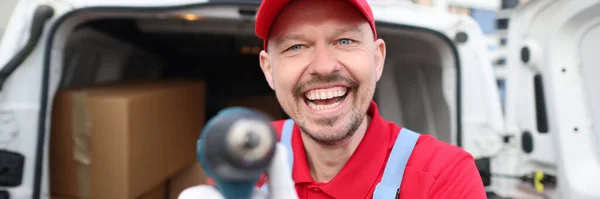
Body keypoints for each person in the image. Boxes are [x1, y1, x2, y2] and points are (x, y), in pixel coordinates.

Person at [179, 0, 487, 198]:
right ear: (269, 70)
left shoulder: (444, 177)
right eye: (296, 47)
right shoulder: (245, 149)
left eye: (344, 40)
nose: (324, 66)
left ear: (377, 59)